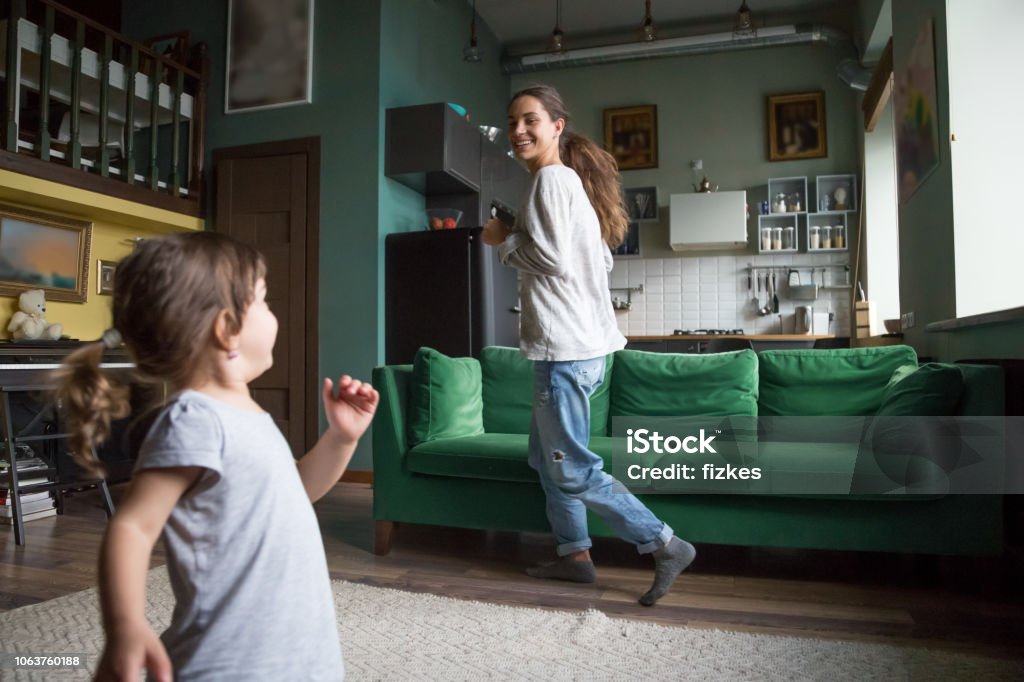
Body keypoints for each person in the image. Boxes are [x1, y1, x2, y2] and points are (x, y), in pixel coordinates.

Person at [53, 232, 378, 681]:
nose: (273, 313)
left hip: (298, 654)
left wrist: (341, 439)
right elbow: (132, 525)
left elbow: (294, 492)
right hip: (229, 663)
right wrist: (124, 626)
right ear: (227, 329)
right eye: (264, 301)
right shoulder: (195, 419)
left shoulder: (247, 415)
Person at [481, 85, 696, 607]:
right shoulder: (569, 186)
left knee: (572, 467)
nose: (518, 131)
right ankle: (574, 555)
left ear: (557, 125)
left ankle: (665, 544)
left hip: (564, 354)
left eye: (530, 120)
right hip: (578, 353)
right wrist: (517, 230)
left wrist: (503, 242)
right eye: (512, 122)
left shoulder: (552, 181)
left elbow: (551, 261)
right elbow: (595, 263)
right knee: (547, 459)